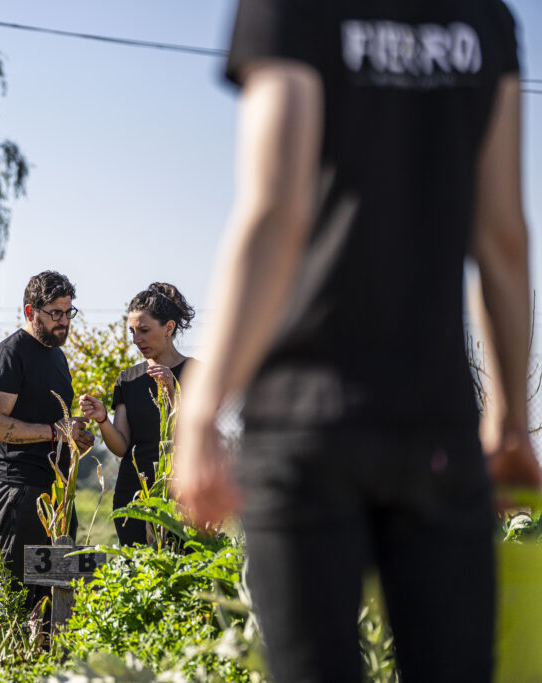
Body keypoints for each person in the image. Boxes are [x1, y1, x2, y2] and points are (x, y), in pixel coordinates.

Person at [173, 1, 542, 681]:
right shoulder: (484, 17)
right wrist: (510, 421)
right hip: (434, 423)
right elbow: (503, 239)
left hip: (304, 422)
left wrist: (199, 407)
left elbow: (277, 214)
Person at [0, 270, 94, 607]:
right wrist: (57, 432)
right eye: (55, 313)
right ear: (30, 312)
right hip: (16, 494)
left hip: (57, 494)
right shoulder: (10, 354)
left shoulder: (58, 357)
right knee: (19, 602)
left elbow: (53, 424)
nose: (63, 322)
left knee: (57, 600)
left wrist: (75, 437)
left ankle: (52, 661)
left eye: (68, 312)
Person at [79, 283, 195, 546]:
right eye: (132, 332)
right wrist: (102, 420)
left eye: (144, 331)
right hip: (134, 495)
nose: (136, 340)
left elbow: (201, 432)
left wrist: (174, 394)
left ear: (169, 328)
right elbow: (121, 447)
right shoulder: (127, 380)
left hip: (183, 493)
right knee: (137, 574)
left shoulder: (196, 373)